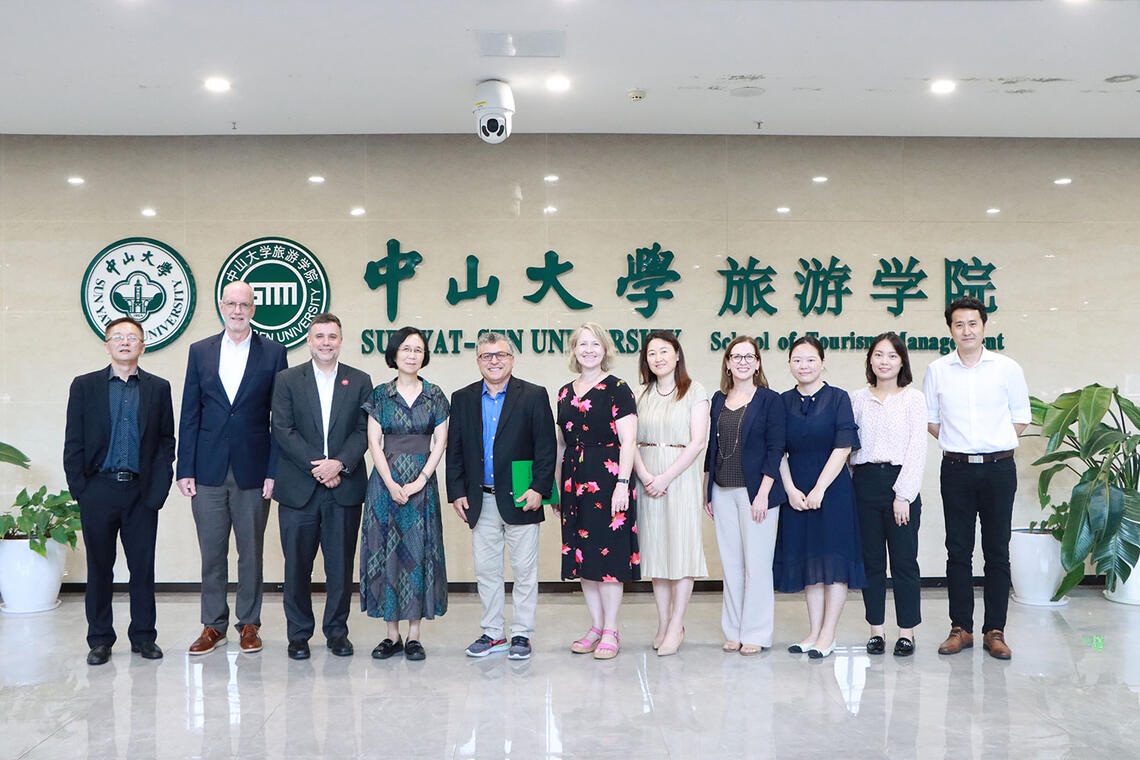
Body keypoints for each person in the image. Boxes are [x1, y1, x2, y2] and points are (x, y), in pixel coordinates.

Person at [177, 281, 288, 656]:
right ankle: (213, 625)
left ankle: (249, 624)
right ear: (222, 307)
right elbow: (190, 414)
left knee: (251, 551)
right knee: (211, 551)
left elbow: (279, 418)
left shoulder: (273, 353)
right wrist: (183, 467)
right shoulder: (200, 351)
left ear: (254, 309)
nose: (238, 310)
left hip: (254, 469)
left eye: (245, 304)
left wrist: (275, 470)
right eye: (232, 304)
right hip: (206, 469)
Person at [63, 317, 175, 665]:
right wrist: (81, 489)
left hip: (141, 493)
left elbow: (165, 442)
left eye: (132, 338)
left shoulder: (158, 388)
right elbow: (74, 442)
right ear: (107, 344)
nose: (125, 342)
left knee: (143, 568)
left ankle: (143, 637)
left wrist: (157, 491)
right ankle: (99, 638)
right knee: (100, 567)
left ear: (143, 345)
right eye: (118, 337)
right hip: (99, 489)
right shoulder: (85, 386)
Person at [924, 296, 1030, 660]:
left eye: (972, 323)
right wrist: (962, 445)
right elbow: (932, 420)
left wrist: (989, 446)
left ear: (984, 326)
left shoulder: (1007, 368)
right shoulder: (937, 370)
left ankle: (995, 630)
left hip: (999, 468)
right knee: (958, 551)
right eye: (959, 324)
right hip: (955, 469)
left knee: (997, 551)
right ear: (950, 330)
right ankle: (961, 628)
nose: (966, 330)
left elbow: (1021, 417)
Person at [447, 332, 556, 660]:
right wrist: (456, 492)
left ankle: (522, 633)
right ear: (478, 360)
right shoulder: (463, 398)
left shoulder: (534, 395)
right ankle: (493, 633)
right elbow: (455, 450)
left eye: (501, 355)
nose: (494, 361)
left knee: (524, 570)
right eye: (486, 356)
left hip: (523, 497)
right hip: (480, 499)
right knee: (487, 570)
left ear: (512, 358)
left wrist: (540, 488)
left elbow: (546, 447)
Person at [271, 313, 372, 660]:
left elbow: (364, 430)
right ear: (309, 341)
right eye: (319, 336)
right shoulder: (287, 379)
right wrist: (319, 466)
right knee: (296, 566)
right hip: (299, 490)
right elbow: (282, 430)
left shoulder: (359, 380)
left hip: (343, 488)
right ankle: (298, 634)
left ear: (341, 341)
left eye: (332, 336)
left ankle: (336, 632)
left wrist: (339, 464)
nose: (326, 342)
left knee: (340, 566)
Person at [360, 326, 449, 661]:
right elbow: (374, 442)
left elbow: (439, 441)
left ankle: (414, 635)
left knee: (418, 554)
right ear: (394, 354)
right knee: (386, 553)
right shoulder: (380, 395)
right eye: (406, 349)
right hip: (385, 486)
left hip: (422, 486)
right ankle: (390, 635)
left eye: (418, 350)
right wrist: (391, 483)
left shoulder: (435, 395)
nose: (412, 355)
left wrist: (421, 479)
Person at [775, 335, 864, 660]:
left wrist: (819, 489)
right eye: (797, 360)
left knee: (834, 561)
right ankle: (813, 632)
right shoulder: (782, 401)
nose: (804, 365)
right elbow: (777, 450)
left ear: (822, 362)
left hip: (833, 491)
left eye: (810, 359)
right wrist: (790, 489)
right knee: (809, 562)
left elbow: (843, 447)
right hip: (795, 492)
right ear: (789, 365)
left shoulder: (839, 397)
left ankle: (829, 634)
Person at [556, 322, 638, 659]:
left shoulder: (618, 388)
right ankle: (594, 624)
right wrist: (558, 489)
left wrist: (622, 483)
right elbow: (561, 444)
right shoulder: (563, 392)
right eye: (582, 344)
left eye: (595, 344)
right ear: (574, 350)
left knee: (609, 559)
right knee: (583, 558)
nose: (589, 350)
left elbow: (629, 441)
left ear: (605, 349)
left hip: (608, 480)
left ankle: (611, 628)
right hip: (574, 481)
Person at [703, 335, 786, 656]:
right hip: (722, 491)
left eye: (749, 356)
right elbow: (713, 448)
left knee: (757, 566)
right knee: (732, 565)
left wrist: (763, 493)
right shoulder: (717, 400)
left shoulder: (770, 400)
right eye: (736, 356)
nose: (742, 361)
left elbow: (775, 448)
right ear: (727, 363)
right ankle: (734, 630)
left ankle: (756, 632)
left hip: (758, 494)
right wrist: (707, 489)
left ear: (758, 363)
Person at [850, 332, 927, 657]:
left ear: (902, 362)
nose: (885, 361)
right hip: (864, 483)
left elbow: (918, 449)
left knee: (905, 562)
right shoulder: (856, 398)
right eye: (879, 355)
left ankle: (906, 633)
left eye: (892, 356)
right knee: (871, 563)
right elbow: (847, 448)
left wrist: (903, 495)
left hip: (900, 485)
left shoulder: (913, 399)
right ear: (870, 360)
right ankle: (876, 631)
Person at [633, 330, 709, 657]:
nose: (659, 358)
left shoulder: (695, 391)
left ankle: (677, 624)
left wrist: (665, 476)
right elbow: (630, 441)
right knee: (656, 552)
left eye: (665, 351)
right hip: (646, 476)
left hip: (680, 477)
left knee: (682, 550)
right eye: (652, 353)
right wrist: (647, 475)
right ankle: (663, 623)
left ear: (677, 355)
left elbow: (697, 442)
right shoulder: (641, 394)